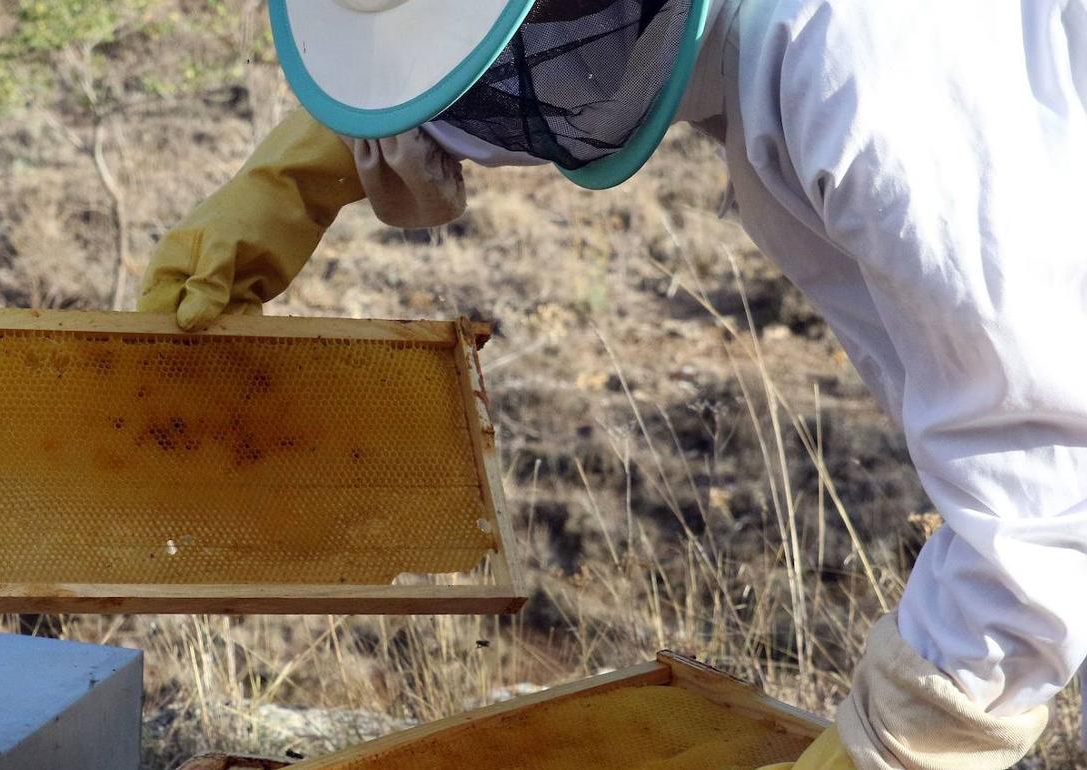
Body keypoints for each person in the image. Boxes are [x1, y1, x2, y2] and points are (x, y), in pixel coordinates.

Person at [138, 1, 1087, 767]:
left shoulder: (879, 82)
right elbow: (524, 54)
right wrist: (311, 161)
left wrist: (896, 744)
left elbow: (1050, 494)